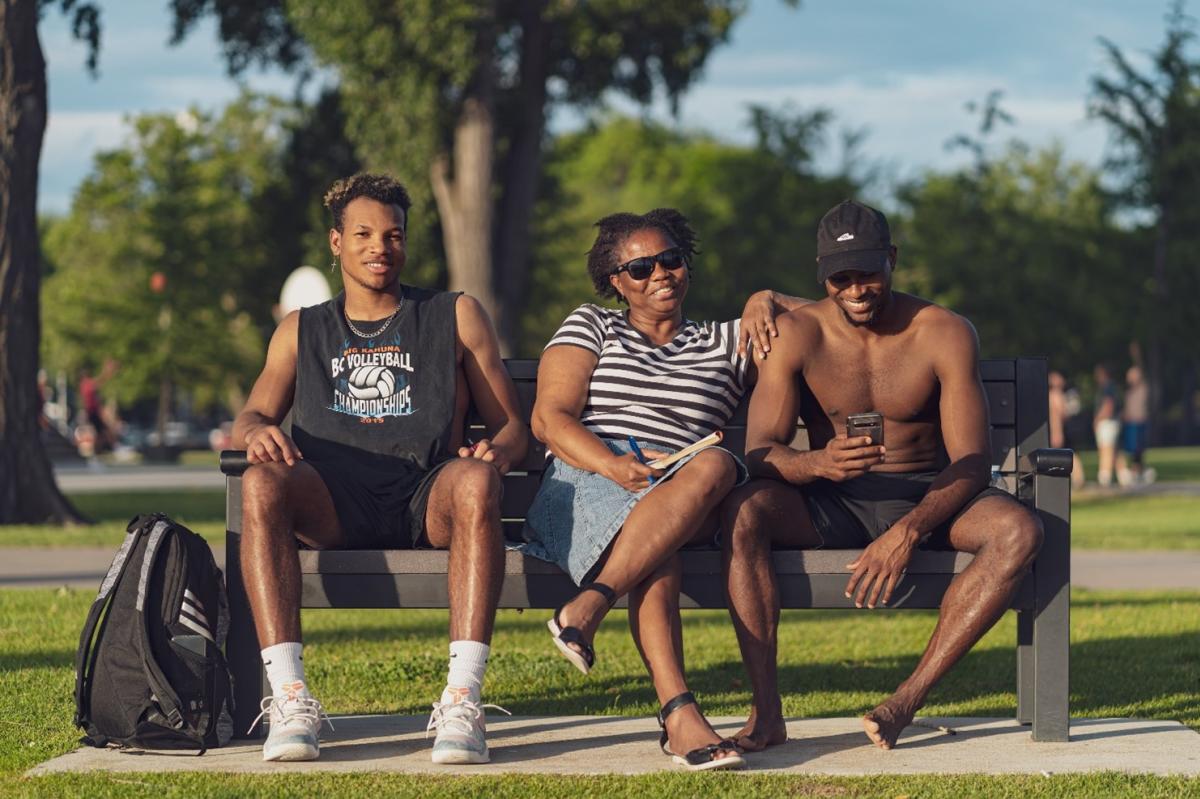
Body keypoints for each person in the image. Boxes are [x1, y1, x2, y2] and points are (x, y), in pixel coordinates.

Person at [721, 199, 1044, 751]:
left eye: (867, 273)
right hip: (831, 498)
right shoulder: (797, 334)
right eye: (839, 278)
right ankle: (767, 714)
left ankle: (903, 703)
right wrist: (814, 462)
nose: (855, 290)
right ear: (821, 275)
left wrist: (909, 532)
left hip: (927, 494)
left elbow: (970, 460)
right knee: (743, 512)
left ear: (892, 259)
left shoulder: (943, 331)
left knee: (1019, 532)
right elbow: (759, 451)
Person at [232, 173, 528, 764]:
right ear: (336, 242)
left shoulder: (455, 315)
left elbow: (513, 428)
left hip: (427, 498)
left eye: (393, 235)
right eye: (364, 234)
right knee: (261, 480)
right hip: (336, 503)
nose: (380, 247)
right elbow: (252, 415)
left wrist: (496, 454)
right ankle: (290, 699)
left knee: (473, 480)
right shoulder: (301, 329)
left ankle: (463, 701)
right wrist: (258, 431)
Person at [521, 208, 809, 771]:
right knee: (660, 549)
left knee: (715, 466)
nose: (660, 274)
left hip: (685, 488)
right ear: (615, 283)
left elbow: (827, 320)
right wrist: (613, 464)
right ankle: (680, 717)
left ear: (688, 266)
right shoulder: (592, 325)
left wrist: (766, 298)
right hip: (586, 486)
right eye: (640, 267)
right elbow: (548, 420)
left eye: (671, 259)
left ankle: (590, 605)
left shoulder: (729, 342)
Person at [1117, 365, 1154, 485]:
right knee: (1131, 449)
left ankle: (1138, 471)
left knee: (1138, 449)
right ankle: (1135, 471)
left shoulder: (1143, 388)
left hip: (1138, 422)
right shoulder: (1129, 392)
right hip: (1130, 422)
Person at [1047, 371, 1084, 490]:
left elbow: (1058, 416)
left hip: (1059, 431)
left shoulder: (1054, 395)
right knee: (1070, 454)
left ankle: (1077, 479)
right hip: (1060, 430)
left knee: (1068, 455)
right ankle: (1076, 479)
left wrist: (1057, 433)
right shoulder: (1058, 395)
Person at [1092, 364, 1120, 487]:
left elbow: (1108, 405)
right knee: (1112, 450)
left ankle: (1105, 476)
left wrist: (1098, 419)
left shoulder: (1108, 387)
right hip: (1109, 421)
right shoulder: (1109, 387)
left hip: (1107, 421)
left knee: (1106, 449)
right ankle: (1122, 474)